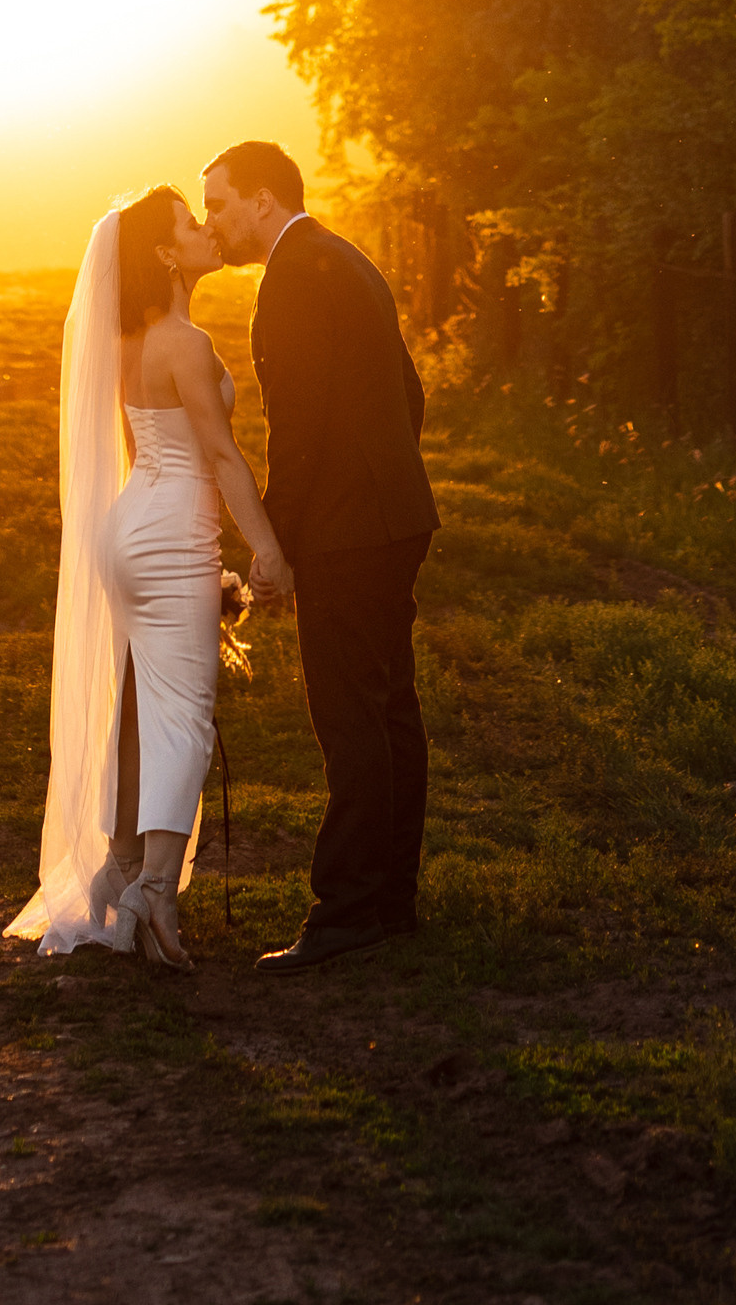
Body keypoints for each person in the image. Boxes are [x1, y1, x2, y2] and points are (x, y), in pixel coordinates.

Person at [7, 185, 291, 970]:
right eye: (191, 225)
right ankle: (155, 890)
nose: (207, 231)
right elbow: (223, 458)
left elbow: (152, 450)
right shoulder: (182, 343)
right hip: (170, 532)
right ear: (165, 255)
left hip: (136, 526)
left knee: (139, 711)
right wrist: (266, 552)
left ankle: (119, 863)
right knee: (185, 717)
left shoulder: (130, 340)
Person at [201, 140, 439, 971]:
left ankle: (345, 915)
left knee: (349, 717)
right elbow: (410, 395)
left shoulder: (293, 278)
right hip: (398, 517)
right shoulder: (346, 259)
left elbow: (296, 433)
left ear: (264, 201)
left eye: (222, 205)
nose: (213, 223)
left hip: (350, 532)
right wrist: (385, 481)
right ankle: (392, 901)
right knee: (390, 711)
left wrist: (278, 545)